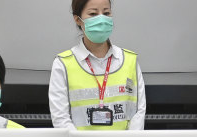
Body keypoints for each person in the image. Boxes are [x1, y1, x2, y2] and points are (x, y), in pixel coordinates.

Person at [49, 0, 146, 130]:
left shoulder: (130, 60)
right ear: (78, 20)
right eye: (93, 14)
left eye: (106, 13)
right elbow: (61, 118)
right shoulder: (63, 65)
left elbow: (138, 113)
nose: (101, 19)